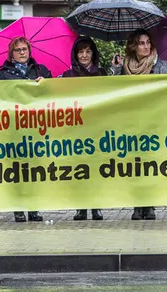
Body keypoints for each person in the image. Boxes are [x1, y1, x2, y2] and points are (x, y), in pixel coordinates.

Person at [111, 29, 167, 220]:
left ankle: (150, 204)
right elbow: (112, 92)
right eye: (141, 43)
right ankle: (138, 205)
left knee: (151, 164)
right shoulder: (124, 67)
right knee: (135, 165)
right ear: (133, 46)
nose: (145, 46)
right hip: (132, 121)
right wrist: (115, 70)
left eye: (148, 43)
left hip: (153, 121)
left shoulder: (162, 66)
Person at [0, 37, 50, 222]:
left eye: (24, 49)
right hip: (14, 128)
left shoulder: (41, 70)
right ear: (12, 53)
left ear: (29, 51)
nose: (22, 52)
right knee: (17, 169)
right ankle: (18, 208)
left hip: (36, 129)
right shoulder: (2, 74)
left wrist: (46, 84)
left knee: (34, 168)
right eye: (17, 50)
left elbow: (55, 95)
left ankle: (34, 208)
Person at [60, 36, 106, 221]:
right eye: (81, 52)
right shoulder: (67, 76)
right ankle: (80, 207)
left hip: (96, 127)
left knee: (95, 168)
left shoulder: (102, 73)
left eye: (88, 51)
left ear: (93, 54)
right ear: (75, 54)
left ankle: (96, 206)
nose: (84, 55)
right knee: (78, 169)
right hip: (76, 129)